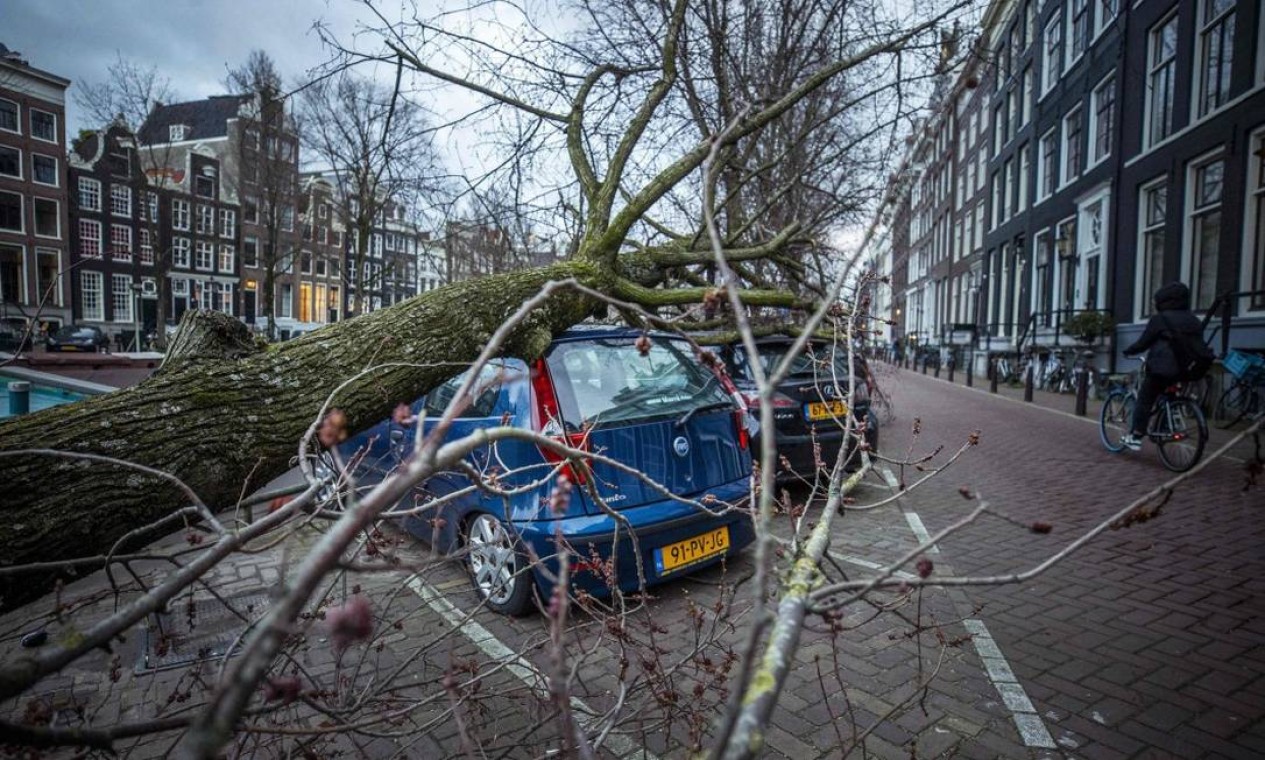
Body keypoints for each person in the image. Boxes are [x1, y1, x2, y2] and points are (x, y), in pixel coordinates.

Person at [1120, 282, 1204, 451]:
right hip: (1188, 369)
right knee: (1169, 394)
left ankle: (1135, 436)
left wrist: (1128, 351)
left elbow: (1144, 342)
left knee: (1144, 399)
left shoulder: (1161, 319)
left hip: (1162, 368)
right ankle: (1165, 426)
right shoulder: (1194, 320)